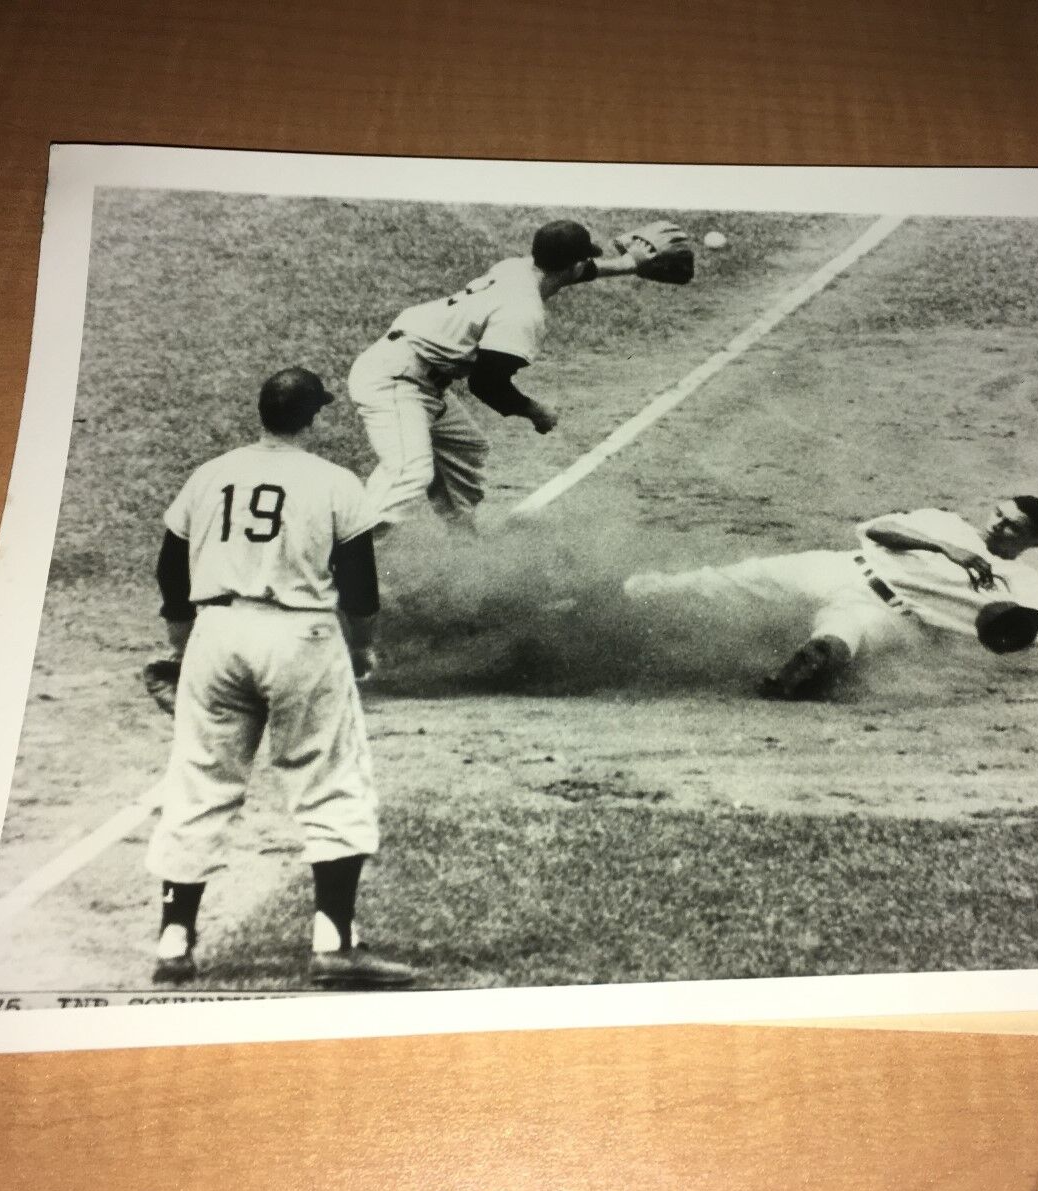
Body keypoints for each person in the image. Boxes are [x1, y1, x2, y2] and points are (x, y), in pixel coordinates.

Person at [144, 367, 415, 989]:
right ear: (314, 417)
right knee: (331, 782)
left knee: (199, 781)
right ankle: (333, 945)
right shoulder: (334, 481)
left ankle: (174, 941)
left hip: (217, 634)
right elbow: (360, 583)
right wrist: (363, 646)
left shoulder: (210, 474)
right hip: (300, 637)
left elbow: (169, 569)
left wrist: (184, 646)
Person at [625, 495, 1038, 700]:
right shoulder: (945, 523)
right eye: (999, 516)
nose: (999, 527)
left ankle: (806, 669)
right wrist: (946, 549)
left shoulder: (1031, 589)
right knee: (716, 581)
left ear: (1034, 543)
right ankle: (617, 596)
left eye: (1014, 528)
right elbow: (877, 529)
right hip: (843, 567)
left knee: (844, 637)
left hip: (893, 616)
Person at [345, 218, 678, 532]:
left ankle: (462, 545)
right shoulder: (522, 314)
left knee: (464, 449)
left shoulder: (514, 267)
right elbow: (486, 384)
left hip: (410, 369)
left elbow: (574, 271)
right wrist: (536, 411)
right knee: (409, 473)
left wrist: (627, 265)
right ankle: (339, 555)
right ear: (574, 264)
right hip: (394, 381)